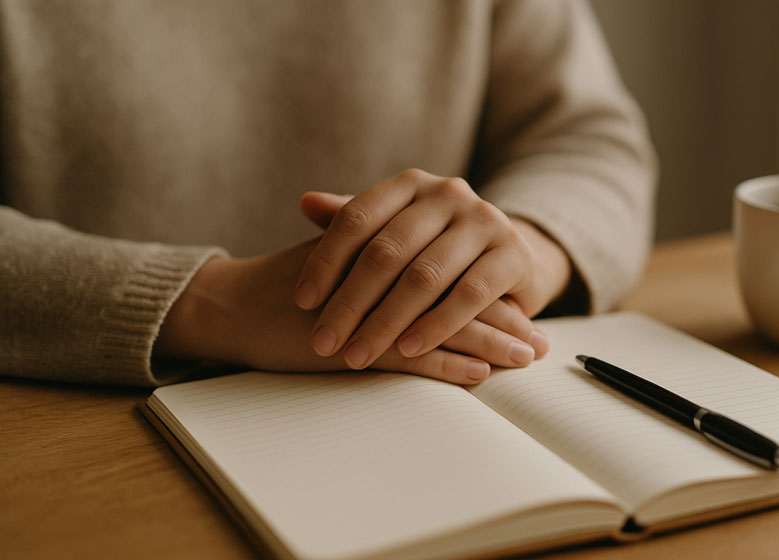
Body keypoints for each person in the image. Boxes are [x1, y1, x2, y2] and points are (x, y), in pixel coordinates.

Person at [0, 0, 654, 387]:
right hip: (83, 422)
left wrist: (513, 255)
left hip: (408, 405)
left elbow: (589, 136)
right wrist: (212, 302)